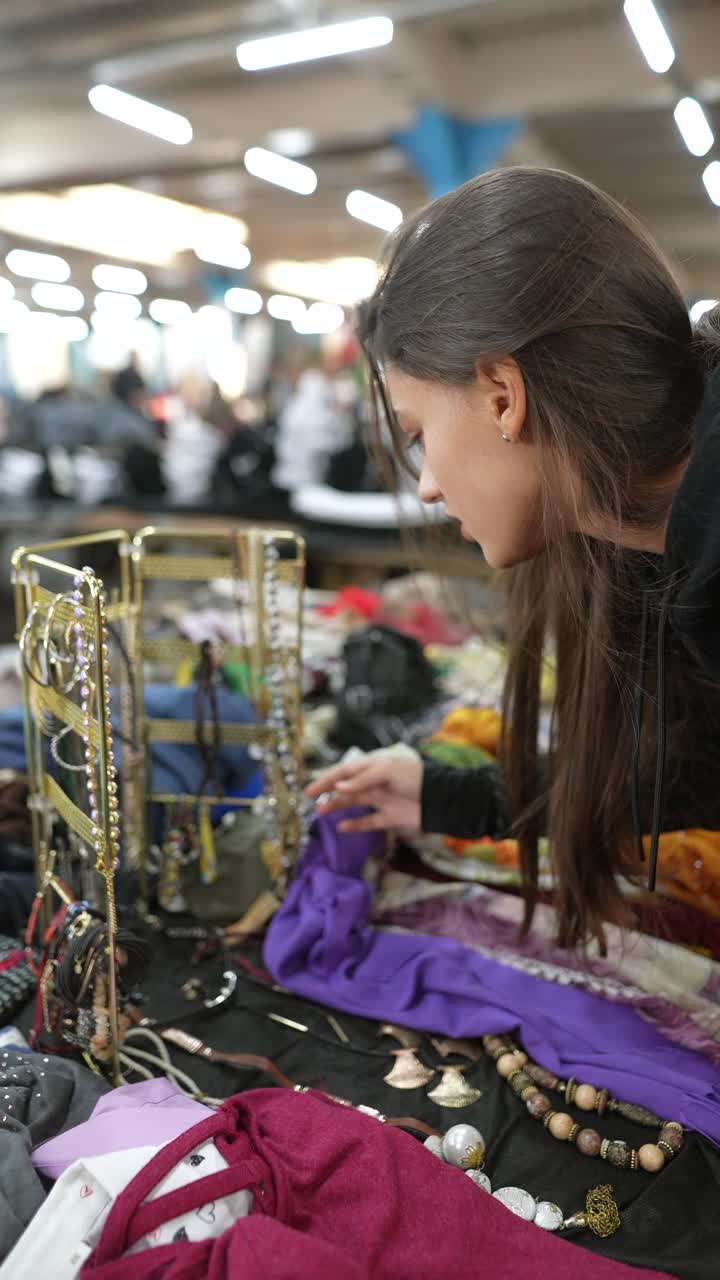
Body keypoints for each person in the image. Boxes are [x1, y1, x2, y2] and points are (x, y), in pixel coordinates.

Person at [307, 165, 720, 948]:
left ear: (503, 394)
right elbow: (693, 774)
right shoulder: (656, 550)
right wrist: (452, 799)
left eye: (420, 433)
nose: (426, 486)